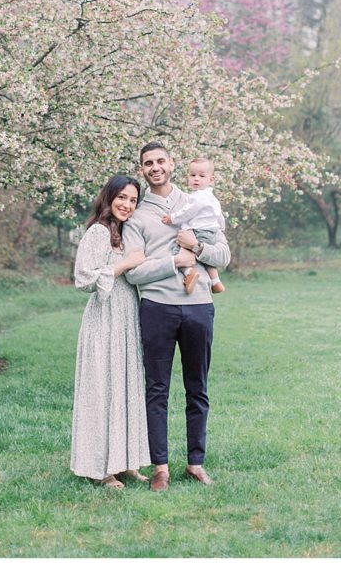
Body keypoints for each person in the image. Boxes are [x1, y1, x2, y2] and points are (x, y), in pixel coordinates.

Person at [122, 142, 231, 491]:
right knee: (157, 389)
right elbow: (133, 274)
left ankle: (195, 463)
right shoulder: (137, 217)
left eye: (160, 161)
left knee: (197, 387)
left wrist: (196, 248)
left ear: (172, 164)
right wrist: (173, 262)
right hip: (157, 307)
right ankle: (161, 467)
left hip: (199, 307)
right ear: (142, 170)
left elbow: (223, 255)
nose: (155, 167)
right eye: (147, 163)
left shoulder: (200, 202)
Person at [70, 175, 151, 489]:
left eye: (133, 200)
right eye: (122, 198)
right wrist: (123, 264)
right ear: (108, 197)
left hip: (126, 318)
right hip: (103, 321)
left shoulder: (125, 233)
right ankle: (101, 469)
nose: (127, 205)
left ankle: (126, 462)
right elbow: (84, 279)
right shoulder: (98, 232)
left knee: (125, 388)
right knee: (103, 391)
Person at [161, 156, 226, 295]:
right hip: (211, 232)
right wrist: (220, 228)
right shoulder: (212, 198)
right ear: (187, 177)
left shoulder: (197, 197)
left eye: (202, 176)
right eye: (192, 175)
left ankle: (189, 272)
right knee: (207, 259)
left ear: (211, 180)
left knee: (176, 250)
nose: (196, 179)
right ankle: (215, 281)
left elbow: (187, 213)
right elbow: (219, 215)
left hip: (199, 232)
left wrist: (172, 218)